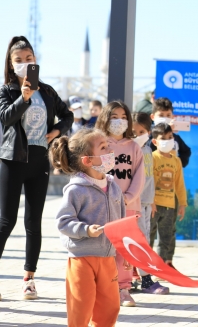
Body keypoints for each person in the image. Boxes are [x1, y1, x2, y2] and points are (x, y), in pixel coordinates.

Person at [0, 36, 73, 301]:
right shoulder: (7, 90)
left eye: (28, 59)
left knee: (33, 222)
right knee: (5, 221)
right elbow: (6, 118)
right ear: (10, 63)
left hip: (39, 161)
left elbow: (68, 116)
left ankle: (29, 280)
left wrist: (56, 131)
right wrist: (23, 97)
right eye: (18, 60)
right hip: (12, 160)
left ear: (35, 60)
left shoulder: (48, 91)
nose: (24, 63)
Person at [51, 128, 125, 327]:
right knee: (81, 307)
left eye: (109, 146)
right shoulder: (76, 189)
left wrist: (126, 248)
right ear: (87, 160)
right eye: (103, 148)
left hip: (108, 258)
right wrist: (86, 230)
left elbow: (121, 222)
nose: (110, 151)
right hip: (82, 258)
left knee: (110, 307)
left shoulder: (113, 186)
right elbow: (63, 222)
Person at [95, 101, 145, 307]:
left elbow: (139, 177)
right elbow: (96, 173)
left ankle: (124, 289)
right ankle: (103, 287)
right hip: (103, 206)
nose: (120, 121)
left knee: (125, 250)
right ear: (106, 118)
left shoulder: (134, 147)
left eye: (124, 117)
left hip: (128, 206)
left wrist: (128, 197)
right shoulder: (99, 144)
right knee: (103, 247)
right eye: (115, 116)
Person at [132, 112, 169, 295]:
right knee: (141, 241)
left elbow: (149, 178)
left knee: (144, 239)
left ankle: (137, 278)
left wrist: (152, 200)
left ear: (148, 131)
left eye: (141, 131)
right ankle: (145, 279)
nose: (137, 135)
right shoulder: (131, 150)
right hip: (135, 203)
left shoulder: (147, 149)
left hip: (146, 202)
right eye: (133, 132)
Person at [150, 123, 187, 270]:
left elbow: (179, 184)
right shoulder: (152, 158)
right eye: (163, 138)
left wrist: (183, 203)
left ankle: (162, 266)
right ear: (155, 142)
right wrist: (150, 201)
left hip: (170, 205)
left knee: (166, 238)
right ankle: (145, 267)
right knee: (149, 236)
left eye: (170, 137)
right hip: (154, 205)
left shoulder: (176, 160)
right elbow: (148, 182)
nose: (167, 140)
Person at [149, 97, 191, 168]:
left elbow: (186, 151)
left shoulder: (175, 137)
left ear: (172, 117)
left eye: (168, 115)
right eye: (161, 115)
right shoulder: (149, 134)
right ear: (153, 117)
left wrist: (178, 163)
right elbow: (148, 149)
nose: (165, 118)